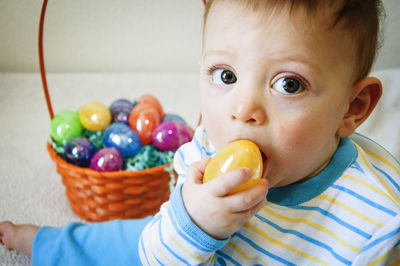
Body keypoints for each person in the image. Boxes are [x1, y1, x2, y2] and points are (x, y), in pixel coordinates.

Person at [1, 0, 399, 265]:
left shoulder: (379, 219)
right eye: (226, 75)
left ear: (353, 108)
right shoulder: (206, 154)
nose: (242, 110)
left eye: (289, 84)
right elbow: (162, 255)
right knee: (115, 244)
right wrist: (196, 221)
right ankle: (40, 242)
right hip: (181, 247)